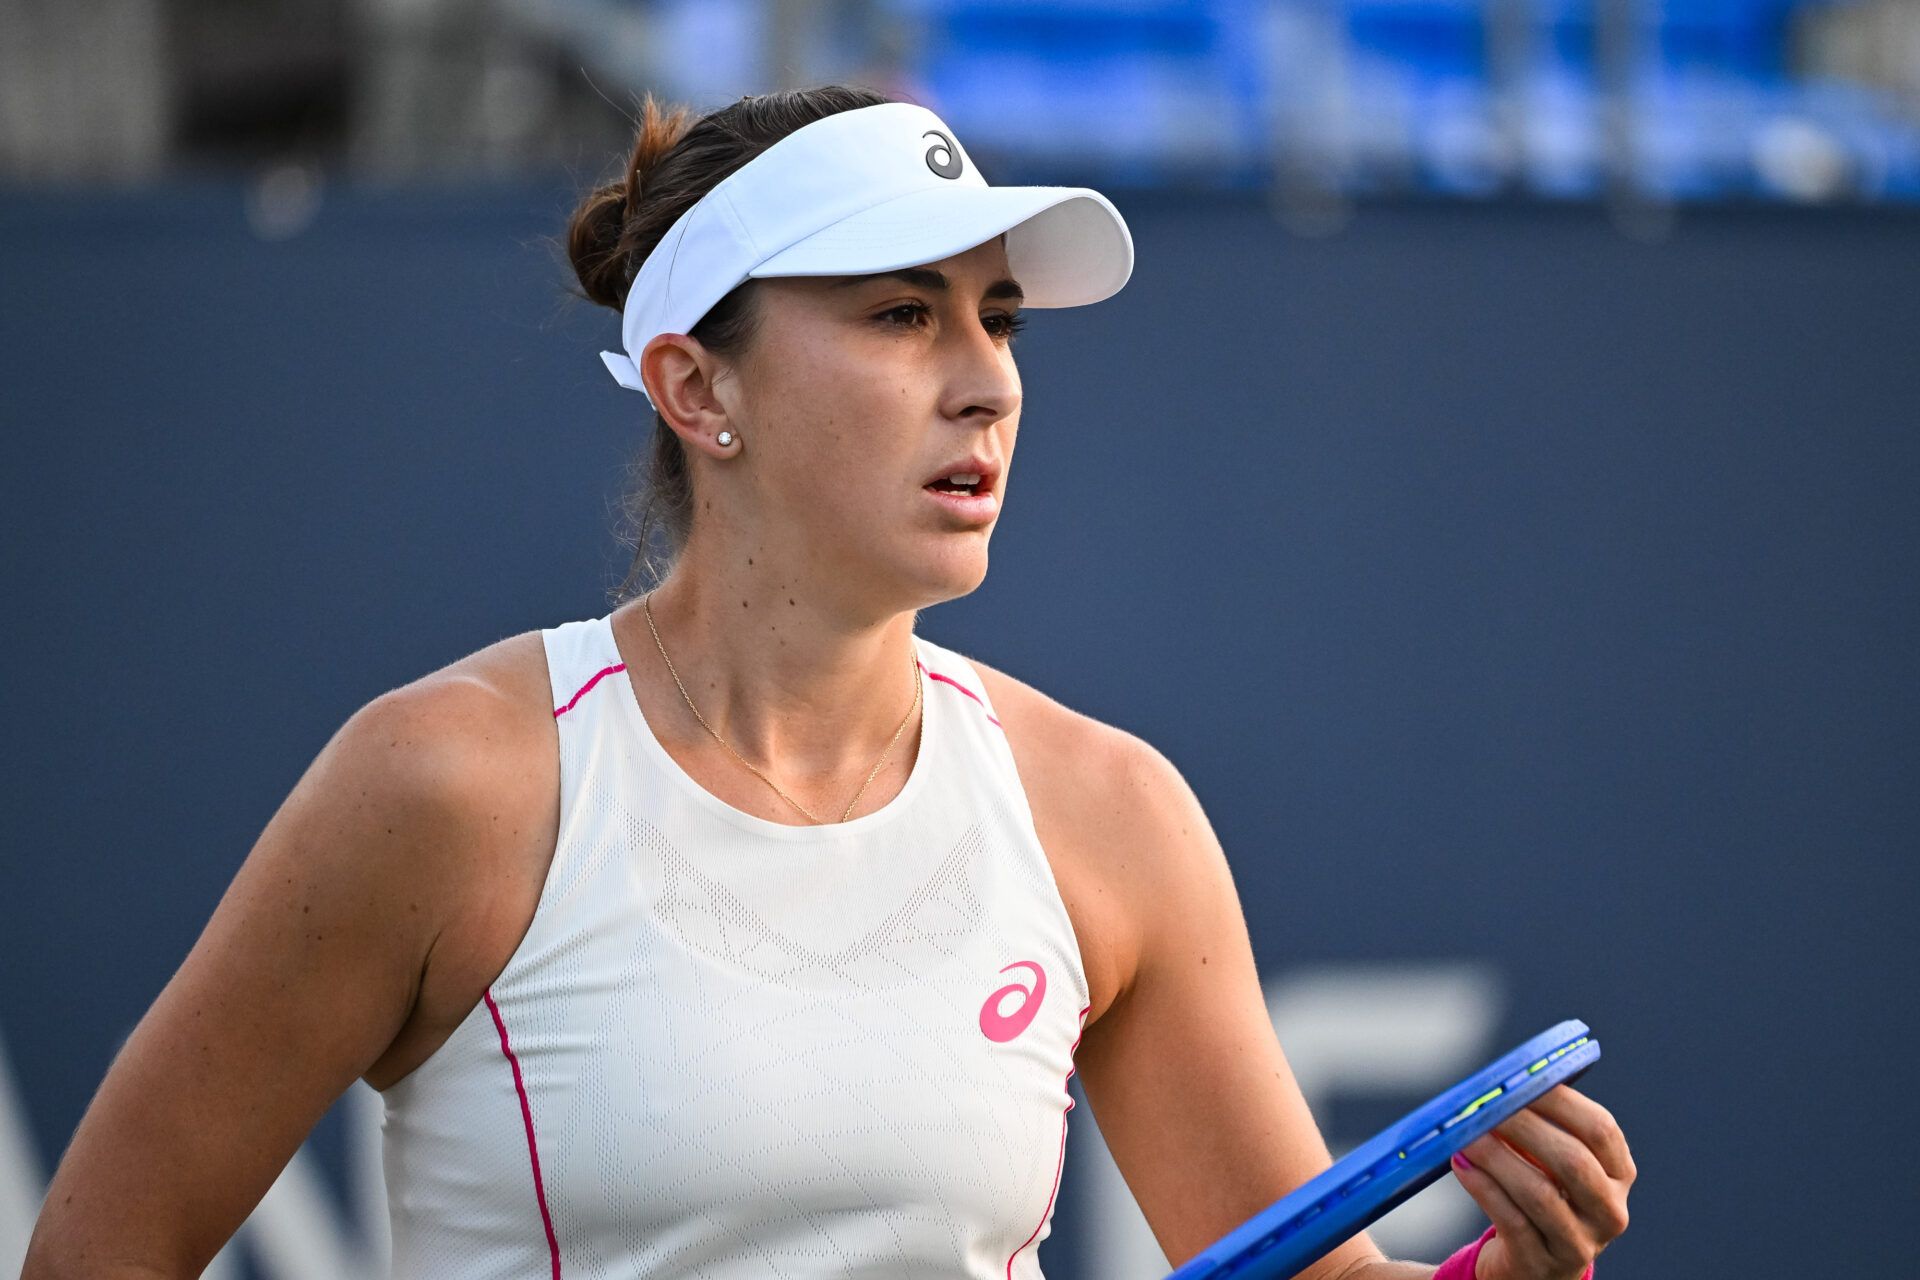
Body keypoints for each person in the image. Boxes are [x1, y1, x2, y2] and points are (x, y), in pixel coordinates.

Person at [23, 85, 1633, 1280]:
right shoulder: (449, 787)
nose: (985, 378)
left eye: (995, 320)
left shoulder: (1110, 816)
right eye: (898, 314)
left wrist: (1514, 1265)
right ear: (696, 387)